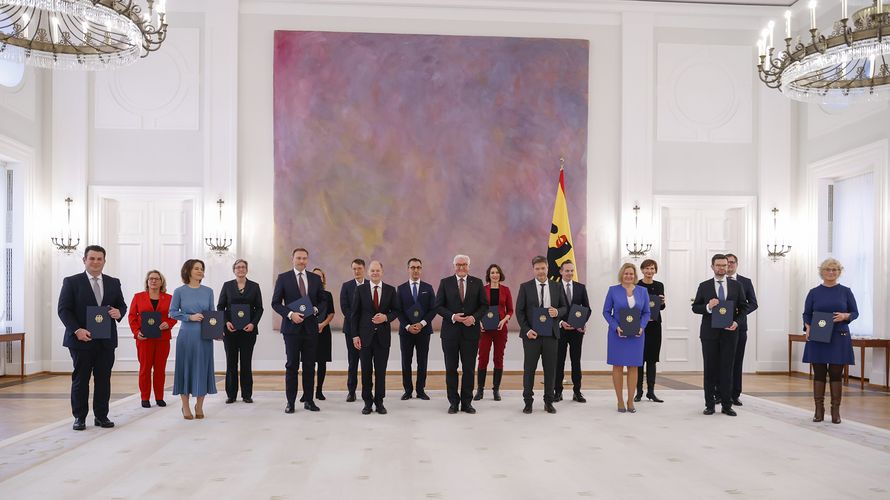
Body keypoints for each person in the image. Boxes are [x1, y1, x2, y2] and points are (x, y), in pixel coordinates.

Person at [58, 245, 128, 431]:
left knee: (103, 379)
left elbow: (122, 305)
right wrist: (77, 330)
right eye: (92, 258)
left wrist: (118, 311)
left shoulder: (114, 282)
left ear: (104, 261)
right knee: (81, 379)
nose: (96, 262)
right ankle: (79, 417)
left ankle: (101, 416)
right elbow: (64, 310)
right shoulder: (72, 282)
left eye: (99, 259)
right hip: (81, 340)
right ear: (84, 260)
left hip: (106, 341)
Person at [271, 247, 328, 413]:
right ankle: (291, 402)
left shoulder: (315, 279)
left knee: (310, 366)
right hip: (291, 330)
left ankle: (309, 401)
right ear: (293, 259)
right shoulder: (283, 278)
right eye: (298, 258)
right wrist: (290, 314)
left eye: (304, 258)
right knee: (292, 366)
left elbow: (323, 300)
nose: (301, 261)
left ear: (308, 260)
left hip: (310, 329)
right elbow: (275, 303)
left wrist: (316, 309)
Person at [802, 258, 858, 424]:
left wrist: (845, 316)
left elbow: (855, 312)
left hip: (839, 336)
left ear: (839, 272)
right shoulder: (813, 292)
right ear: (822, 272)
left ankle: (835, 411)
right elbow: (807, 313)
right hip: (818, 336)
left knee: (835, 373)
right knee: (819, 373)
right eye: (828, 270)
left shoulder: (846, 291)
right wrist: (808, 327)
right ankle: (819, 410)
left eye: (834, 270)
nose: (831, 272)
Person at [691, 254, 748, 417]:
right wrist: (708, 306)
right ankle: (709, 405)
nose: (722, 268)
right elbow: (695, 307)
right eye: (719, 265)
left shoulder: (737, 286)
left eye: (725, 265)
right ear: (712, 267)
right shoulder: (704, 286)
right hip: (709, 334)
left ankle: (727, 405)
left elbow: (744, 308)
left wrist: (737, 322)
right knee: (710, 370)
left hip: (730, 333)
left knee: (727, 369)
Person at [435, 254, 488, 414]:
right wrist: (453, 316)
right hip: (450, 334)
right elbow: (438, 306)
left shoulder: (477, 283)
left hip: (470, 334)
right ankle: (453, 402)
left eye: (464, 264)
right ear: (454, 266)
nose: (461, 267)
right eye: (458, 265)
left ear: (469, 266)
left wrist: (473, 318)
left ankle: (467, 402)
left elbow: (484, 306)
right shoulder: (445, 282)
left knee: (469, 369)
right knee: (451, 368)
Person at [515, 256, 567, 414]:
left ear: (547, 268)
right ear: (533, 270)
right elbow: (519, 311)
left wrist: (557, 311)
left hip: (551, 335)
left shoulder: (557, 286)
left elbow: (565, 307)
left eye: (543, 268)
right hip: (532, 335)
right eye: (537, 268)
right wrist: (526, 330)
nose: (540, 271)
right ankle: (528, 402)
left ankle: (549, 401)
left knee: (550, 370)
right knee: (529, 369)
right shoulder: (525, 287)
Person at [350, 260, 401, 414]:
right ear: (368, 273)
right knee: (365, 371)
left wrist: (386, 317)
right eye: (372, 271)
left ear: (382, 272)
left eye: (377, 270)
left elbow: (397, 311)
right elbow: (354, 315)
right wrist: (355, 336)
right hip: (364, 338)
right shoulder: (360, 290)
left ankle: (379, 402)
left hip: (382, 338)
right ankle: (367, 402)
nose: (375, 273)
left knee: (380, 371)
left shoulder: (391, 290)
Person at [170, 259, 218, 420]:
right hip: (187, 336)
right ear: (188, 271)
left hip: (205, 337)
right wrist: (190, 317)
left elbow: (212, 314)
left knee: (202, 368)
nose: (200, 271)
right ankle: (185, 406)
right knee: (185, 368)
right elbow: (172, 312)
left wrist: (217, 332)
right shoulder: (179, 291)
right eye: (196, 268)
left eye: (202, 268)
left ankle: (199, 405)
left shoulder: (208, 291)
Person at [603, 263, 651, 413]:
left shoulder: (643, 291)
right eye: (626, 273)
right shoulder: (613, 290)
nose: (628, 276)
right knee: (617, 366)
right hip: (617, 334)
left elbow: (647, 313)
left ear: (635, 276)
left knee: (633, 366)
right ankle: (620, 401)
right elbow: (606, 312)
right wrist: (615, 326)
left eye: (631, 274)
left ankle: (631, 400)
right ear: (621, 275)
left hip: (636, 335)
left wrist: (642, 326)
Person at [217, 259, 264, 404]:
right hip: (230, 331)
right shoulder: (227, 286)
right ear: (234, 270)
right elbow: (220, 307)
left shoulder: (255, 286)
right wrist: (226, 322)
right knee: (231, 363)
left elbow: (259, 308)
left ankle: (247, 395)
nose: (241, 269)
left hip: (248, 331)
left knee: (246, 362)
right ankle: (231, 395)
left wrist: (253, 323)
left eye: (243, 267)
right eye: (238, 267)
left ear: (247, 269)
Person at [128, 270, 177, 408]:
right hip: (144, 339)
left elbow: (173, 315)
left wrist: (169, 323)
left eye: (156, 278)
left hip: (162, 339)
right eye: (151, 279)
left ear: (161, 282)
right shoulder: (138, 297)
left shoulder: (169, 298)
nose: (153, 281)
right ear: (147, 281)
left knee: (160, 369)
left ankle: (159, 397)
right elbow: (132, 316)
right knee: (145, 369)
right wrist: (136, 332)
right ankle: (145, 398)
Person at [396, 258, 436, 400]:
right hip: (406, 332)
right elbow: (398, 310)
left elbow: (433, 309)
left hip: (423, 331)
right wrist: (407, 326)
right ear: (408, 269)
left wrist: (422, 324)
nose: (416, 270)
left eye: (418, 267)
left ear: (421, 269)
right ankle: (408, 390)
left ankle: (420, 390)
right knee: (406, 361)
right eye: (413, 267)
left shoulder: (428, 288)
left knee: (422, 361)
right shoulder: (401, 289)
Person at [474, 263, 513, 401]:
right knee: (482, 358)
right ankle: (480, 390)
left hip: (500, 329)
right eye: (492, 273)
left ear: (500, 274)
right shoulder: (482, 290)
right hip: (485, 330)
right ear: (488, 275)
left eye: (497, 272)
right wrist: (479, 322)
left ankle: (496, 390)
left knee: (498, 358)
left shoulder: (506, 290)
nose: (495, 275)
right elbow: (476, 308)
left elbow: (510, 310)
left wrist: (504, 320)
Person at [555, 260, 591, 403]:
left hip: (577, 331)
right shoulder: (555, 287)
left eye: (572, 270)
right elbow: (551, 309)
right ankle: (558, 392)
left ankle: (577, 392)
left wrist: (582, 323)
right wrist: (561, 322)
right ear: (561, 271)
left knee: (576, 362)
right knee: (559, 362)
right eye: (567, 270)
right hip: (560, 330)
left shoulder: (580, 288)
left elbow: (587, 309)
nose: (570, 273)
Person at [725, 253, 757, 407]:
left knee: (737, 361)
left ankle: (735, 394)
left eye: (732, 262)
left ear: (736, 264)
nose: (729, 265)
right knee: (721, 361)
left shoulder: (745, 282)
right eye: (727, 262)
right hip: (720, 327)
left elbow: (753, 303)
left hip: (740, 327)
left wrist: (740, 313)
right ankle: (720, 393)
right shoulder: (717, 281)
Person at [634, 259, 666, 403]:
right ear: (642, 270)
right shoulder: (637, 285)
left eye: (652, 268)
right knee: (639, 360)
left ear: (655, 270)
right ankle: (639, 391)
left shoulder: (659, 285)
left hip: (655, 327)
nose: (649, 271)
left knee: (652, 360)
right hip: (641, 326)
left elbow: (661, 308)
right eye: (647, 268)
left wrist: (663, 302)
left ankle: (651, 392)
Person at [339, 258, 366, 402]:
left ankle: (367, 391)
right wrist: (358, 323)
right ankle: (351, 391)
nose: (357, 271)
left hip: (368, 331)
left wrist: (365, 323)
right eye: (354, 268)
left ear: (364, 269)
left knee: (367, 362)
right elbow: (345, 309)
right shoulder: (347, 286)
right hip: (350, 330)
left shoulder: (370, 285)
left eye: (359, 268)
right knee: (353, 361)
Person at [311, 267, 335, 401]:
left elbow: (331, 313)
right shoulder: (306, 295)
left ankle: (319, 390)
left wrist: (322, 324)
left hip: (324, 331)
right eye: (315, 276)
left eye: (320, 277)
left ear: (323, 280)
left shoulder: (328, 295)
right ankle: (306, 392)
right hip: (309, 332)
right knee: (309, 363)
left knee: (322, 363)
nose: (317, 279)